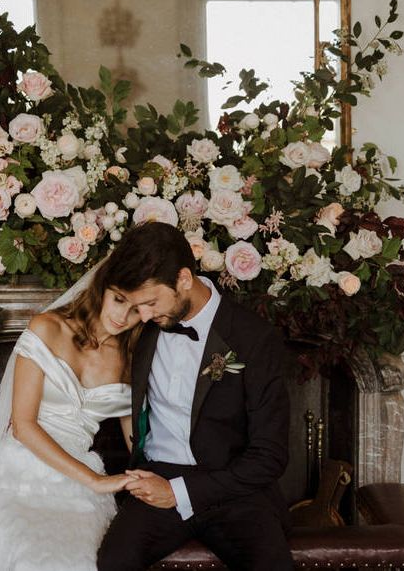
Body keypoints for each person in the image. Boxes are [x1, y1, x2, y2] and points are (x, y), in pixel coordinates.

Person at [0, 257, 142, 571]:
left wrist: (164, 482)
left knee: (84, 562)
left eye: (135, 309)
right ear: (102, 288)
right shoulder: (47, 328)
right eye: (119, 299)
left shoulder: (132, 358)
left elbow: (139, 444)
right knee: (30, 558)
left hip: (78, 491)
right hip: (19, 473)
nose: (123, 316)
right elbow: (23, 426)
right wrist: (96, 480)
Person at [97, 221, 294, 571]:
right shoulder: (142, 328)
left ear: (184, 279)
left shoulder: (254, 338)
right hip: (157, 479)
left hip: (236, 486)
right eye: (136, 305)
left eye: (151, 302)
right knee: (114, 560)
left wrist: (180, 493)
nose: (141, 316)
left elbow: (270, 456)